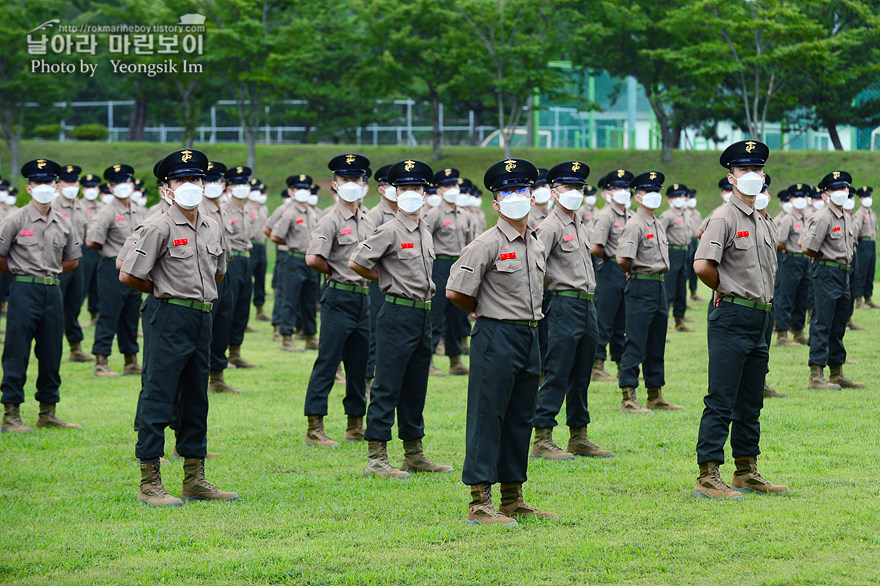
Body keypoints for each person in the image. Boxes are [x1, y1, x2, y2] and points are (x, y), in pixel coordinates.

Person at [120, 148, 237, 506]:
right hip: (168, 315)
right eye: (181, 180)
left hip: (202, 317)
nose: (191, 185)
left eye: (196, 179)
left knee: (196, 398)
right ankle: (150, 480)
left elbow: (219, 270)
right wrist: (166, 290)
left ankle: (194, 477)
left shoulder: (212, 225)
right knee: (158, 394)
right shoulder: (157, 225)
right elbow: (128, 274)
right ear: (167, 188)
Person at [447, 158, 556, 527]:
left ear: (531, 194)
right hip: (496, 335)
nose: (516, 197)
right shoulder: (486, 243)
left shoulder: (536, 240)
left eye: (521, 190)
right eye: (507, 192)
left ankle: (512, 497)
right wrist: (485, 309)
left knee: (520, 416)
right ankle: (480, 500)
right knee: (487, 415)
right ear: (496, 202)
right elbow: (456, 291)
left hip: (529, 334)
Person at [693, 139, 787, 500]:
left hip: (761, 318)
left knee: (751, 400)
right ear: (731, 177)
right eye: (745, 169)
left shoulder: (764, 220)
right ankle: (707, 474)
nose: (753, 175)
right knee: (722, 397)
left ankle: (746, 470)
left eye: (758, 169)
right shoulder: (723, 217)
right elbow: (703, 265)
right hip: (732, 315)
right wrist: (724, 287)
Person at [349, 159, 453, 478]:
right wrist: (385, 278)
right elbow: (356, 261)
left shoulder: (424, 229)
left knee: (416, 385)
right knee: (387, 384)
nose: (412, 193)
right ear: (394, 192)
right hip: (397, 311)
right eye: (405, 188)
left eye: (417, 188)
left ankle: (413, 453)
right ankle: (377, 456)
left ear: (425, 193)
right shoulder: (390, 229)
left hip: (423, 313)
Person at [531, 161, 613, 460]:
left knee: (582, 373)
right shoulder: (550, 226)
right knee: (557, 371)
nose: (575, 193)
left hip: (587, 303)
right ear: (554, 192)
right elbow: (534, 266)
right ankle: (542, 437)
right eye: (569, 188)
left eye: (579, 187)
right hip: (563, 304)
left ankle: (578, 435)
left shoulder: (579, 223)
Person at [0, 158, 81, 433]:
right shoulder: (15, 219)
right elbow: (0, 256)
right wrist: (19, 271)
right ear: (29, 187)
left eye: (48, 182)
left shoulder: (64, 222)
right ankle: (11, 414)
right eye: (38, 182)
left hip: (52, 291)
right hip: (23, 289)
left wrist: (50, 273)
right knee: (16, 351)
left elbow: (72, 260)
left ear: (56, 186)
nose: (44, 187)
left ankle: (48, 412)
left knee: (51, 353)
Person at [302, 154, 374, 447]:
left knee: (359, 365)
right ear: (335, 184)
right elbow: (312, 258)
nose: (352, 184)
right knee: (328, 362)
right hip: (339, 296)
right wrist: (334, 271)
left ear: (364, 184)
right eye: (346, 180)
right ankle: (314, 427)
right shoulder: (331, 218)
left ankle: (355, 425)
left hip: (364, 299)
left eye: (357, 179)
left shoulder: (368, 217)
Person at [616, 171, 682, 413]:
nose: (653, 196)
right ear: (638, 196)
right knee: (636, 340)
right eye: (648, 192)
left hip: (658, 285)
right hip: (641, 284)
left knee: (656, 342)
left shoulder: (657, 223)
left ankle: (655, 395)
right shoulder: (635, 224)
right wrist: (634, 272)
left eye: (656, 191)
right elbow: (623, 259)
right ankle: (628, 396)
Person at [801, 171, 863, 390]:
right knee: (822, 322)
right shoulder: (822, 217)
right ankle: (816, 374)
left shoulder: (847, 216)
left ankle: (836, 372)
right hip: (826, 272)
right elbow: (807, 247)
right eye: (836, 189)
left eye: (844, 188)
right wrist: (824, 262)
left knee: (839, 324)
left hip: (844, 273)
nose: (842, 193)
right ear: (826, 194)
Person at [86, 163, 146, 376]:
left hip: (134, 268)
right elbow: (92, 241)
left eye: (126, 182)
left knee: (131, 314)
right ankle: (101, 362)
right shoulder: (107, 211)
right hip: (112, 266)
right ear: (110, 188)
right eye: (117, 183)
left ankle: (131, 360)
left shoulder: (140, 211)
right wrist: (115, 251)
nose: (123, 186)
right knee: (109, 314)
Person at [423, 168, 471, 376]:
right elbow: (425, 241)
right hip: (440, 266)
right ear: (439, 191)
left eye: (455, 185)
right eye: (447, 186)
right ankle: (429, 360)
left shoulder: (464, 214)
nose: (453, 189)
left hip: (460, 265)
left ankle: (455, 360)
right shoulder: (433, 214)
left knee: (457, 315)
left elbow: (470, 242)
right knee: (435, 314)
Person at [589, 169, 634, 382]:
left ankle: (620, 365)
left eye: (626, 187)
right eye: (618, 188)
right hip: (610, 270)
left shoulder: (632, 215)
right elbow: (595, 247)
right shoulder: (605, 215)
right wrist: (614, 257)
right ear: (609, 191)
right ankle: (596, 365)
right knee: (604, 319)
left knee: (622, 322)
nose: (623, 191)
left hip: (628, 272)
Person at [269, 174, 320, 352]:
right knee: (289, 300)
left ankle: (310, 336)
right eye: (299, 189)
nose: (303, 192)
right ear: (292, 191)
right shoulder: (289, 212)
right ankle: (286, 338)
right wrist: (292, 245)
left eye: (306, 188)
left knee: (310, 302)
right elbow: (275, 235)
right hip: (293, 260)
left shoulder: (313, 212)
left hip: (310, 261)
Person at [53, 164, 92, 362]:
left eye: (75, 181)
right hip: (58, 259)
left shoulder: (80, 206)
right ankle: (52, 347)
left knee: (75, 303)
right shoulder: (52, 204)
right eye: (68, 181)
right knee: (56, 305)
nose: (72, 185)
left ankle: (75, 347)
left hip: (78, 259)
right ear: (59, 185)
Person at [221, 167, 259, 370]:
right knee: (230, 307)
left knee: (243, 307)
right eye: (237, 184)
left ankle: (236, 352)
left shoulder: (248, 209)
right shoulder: (224, 209)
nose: (242, 188)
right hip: (232, 260)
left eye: (245, 184)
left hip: (246, 259)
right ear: (229, 186)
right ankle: (223, 353)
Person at [363, 164, 396, 387]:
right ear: (381, 188)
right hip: (379, 282)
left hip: (399, 285)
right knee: (374, 332)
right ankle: (368, 380)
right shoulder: (374, 216)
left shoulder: (405, 214)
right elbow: (363, 255)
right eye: (389, 184)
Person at [774, 184, 812, 347]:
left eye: (803, 196)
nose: (800, 200)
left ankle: (798, 331)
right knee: (786, 296)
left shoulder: (809, 218)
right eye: (797, 197)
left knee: (802, 296)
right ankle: (782, 334)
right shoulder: (787, 219)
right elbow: (780, 242)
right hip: (790, 260)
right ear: (791, 199)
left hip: (805, 260)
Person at [659, 183, 693, 332]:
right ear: (669, 200)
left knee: (681, 288)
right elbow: (660, 236)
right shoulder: (667, 215)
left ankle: (679, 320)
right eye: (674, 197)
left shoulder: (686, 214)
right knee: (669, 289)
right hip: (672, 252)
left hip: (685, 252)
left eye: (680, 196)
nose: (678, 199)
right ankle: (664, 323)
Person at [78, 174, 103, 326]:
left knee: (98, 286)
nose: (91, 190)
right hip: (84, 248)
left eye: (93, 186)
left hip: (101, 249)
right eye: (87, 187)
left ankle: (96, 316)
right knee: (82, 285)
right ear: (82, 189)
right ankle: (72, 317)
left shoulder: (104, 207)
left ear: (98, 188)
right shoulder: (78, 206)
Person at [246, 182, 270, 322]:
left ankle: (260, 310)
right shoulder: (246, 208)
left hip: (262, 245)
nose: (257, 193)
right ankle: (245, 314)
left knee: (260, 278)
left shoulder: (264, 208)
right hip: (251, 246)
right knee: (247, 280)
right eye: (253, 190)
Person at [854, 186, 877, 308]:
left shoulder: (872, 213)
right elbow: (857, 231)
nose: (867, 199)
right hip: (863, 243)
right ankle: (859, 299)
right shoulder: (860, 213)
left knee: (870, 271)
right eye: (864, 197)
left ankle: (868, 297)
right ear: (860, 199)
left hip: (871, 243)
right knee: (862, 271)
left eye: (868, 196)